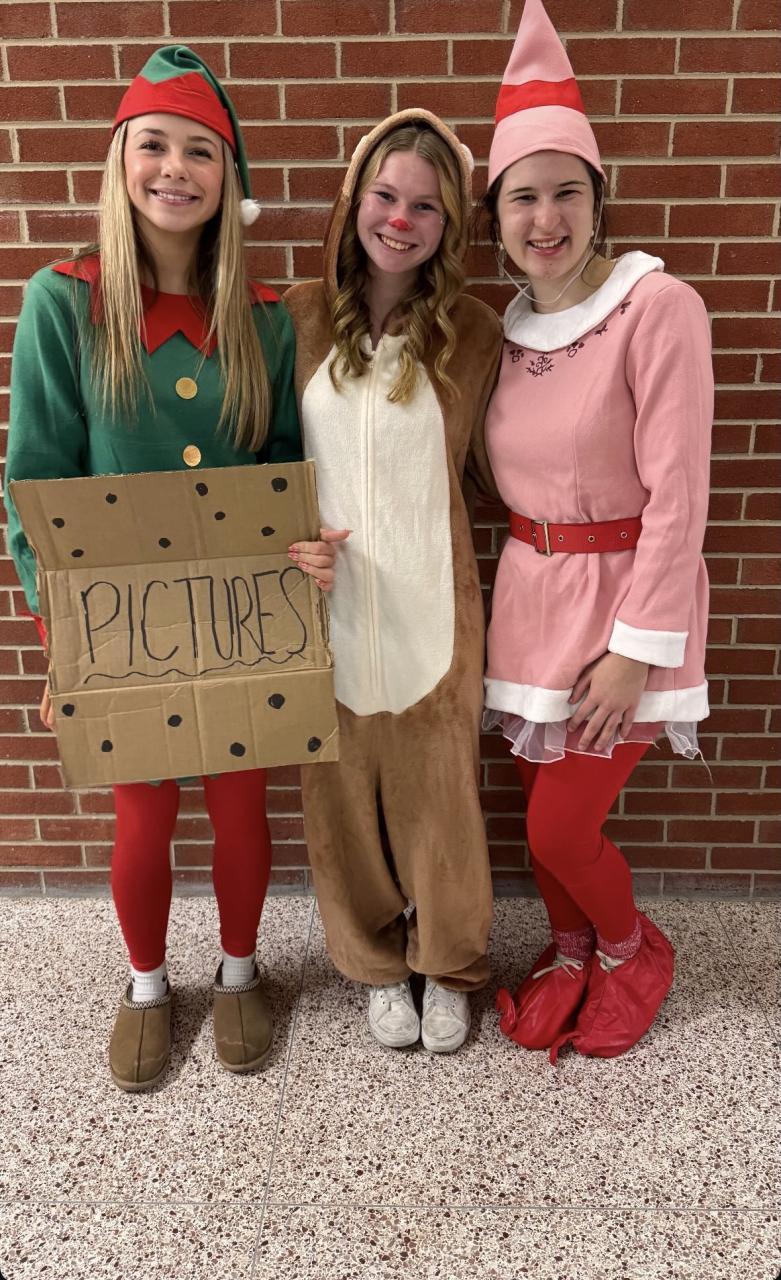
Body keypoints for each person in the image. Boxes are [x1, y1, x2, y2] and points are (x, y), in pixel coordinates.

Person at [5, 46, 343, 1091]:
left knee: (242, 808)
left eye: (201, 151)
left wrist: (308, 547)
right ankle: (147, 983)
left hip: (241, 615)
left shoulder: (265, 319)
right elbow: (35, 483)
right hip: (121, 623)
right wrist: (62, 640)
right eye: (153, 143)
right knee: (143, 814)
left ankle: (241, 971)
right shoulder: (64, 303)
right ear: (120, 160)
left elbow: (284, 466)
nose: (175, 169)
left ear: (228, 180)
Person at [478, 0, 713, 1061]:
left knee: (560, 825)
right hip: (528, 606)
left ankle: (629, 948)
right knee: (535, 813)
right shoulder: (506, 330)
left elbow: (678, 495)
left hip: (618, 610)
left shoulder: (656, 308)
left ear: (596, 198)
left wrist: (634, 651)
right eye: (521, 196)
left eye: (564, 191)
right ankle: (569, 950)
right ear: (495, 217)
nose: (545, 218)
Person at [284, 110, 503, 1053]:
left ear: (449, 225)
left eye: (426, 207)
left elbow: (500, 468)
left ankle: (449, 963)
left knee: (442, 799)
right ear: (354, 201)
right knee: (337, 800)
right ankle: (374, 964)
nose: (400, 220)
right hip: (324, 609)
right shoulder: (293, 320)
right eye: (385, 196)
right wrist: (287, 543)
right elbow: (264, 462)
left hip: (433, 608)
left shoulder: (475, 333)